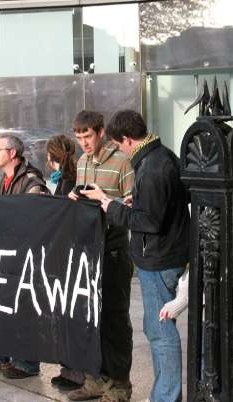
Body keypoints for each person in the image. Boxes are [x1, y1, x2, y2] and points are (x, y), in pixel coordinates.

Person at [80, 110, 190, 402]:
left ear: (127, 139)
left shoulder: (153, 166)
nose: (120, 150)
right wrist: (134, 199)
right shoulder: (161, 156)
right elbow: (162, 205)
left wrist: (108, 204)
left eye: (120, 145)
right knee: (157, 328)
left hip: (159, 258)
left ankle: (165, 397)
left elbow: (149, 222)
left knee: (159, 331)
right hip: (164, 254)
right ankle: (165, 394)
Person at [63, 111, 134, 402]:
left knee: (115, 321)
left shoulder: (122, 160)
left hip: (115, 249)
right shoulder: (81, 162)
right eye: (79, 138)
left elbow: (133, 205)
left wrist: (104, 198)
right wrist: (76, 198)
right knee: (89, 318)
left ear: (101, 132)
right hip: (88, 251)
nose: (84, 143)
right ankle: (94, 380)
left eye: (88, 137)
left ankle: (118, 386)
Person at [0, 134, 47, 379]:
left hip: (25, 256)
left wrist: (3, 208)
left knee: (25, 308)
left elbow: (35, 213)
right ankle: (12, 355)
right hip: (7, 253)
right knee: (10, 307)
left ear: (12, 154)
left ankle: (27, 363)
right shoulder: (1, 183)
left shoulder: (30, 179)